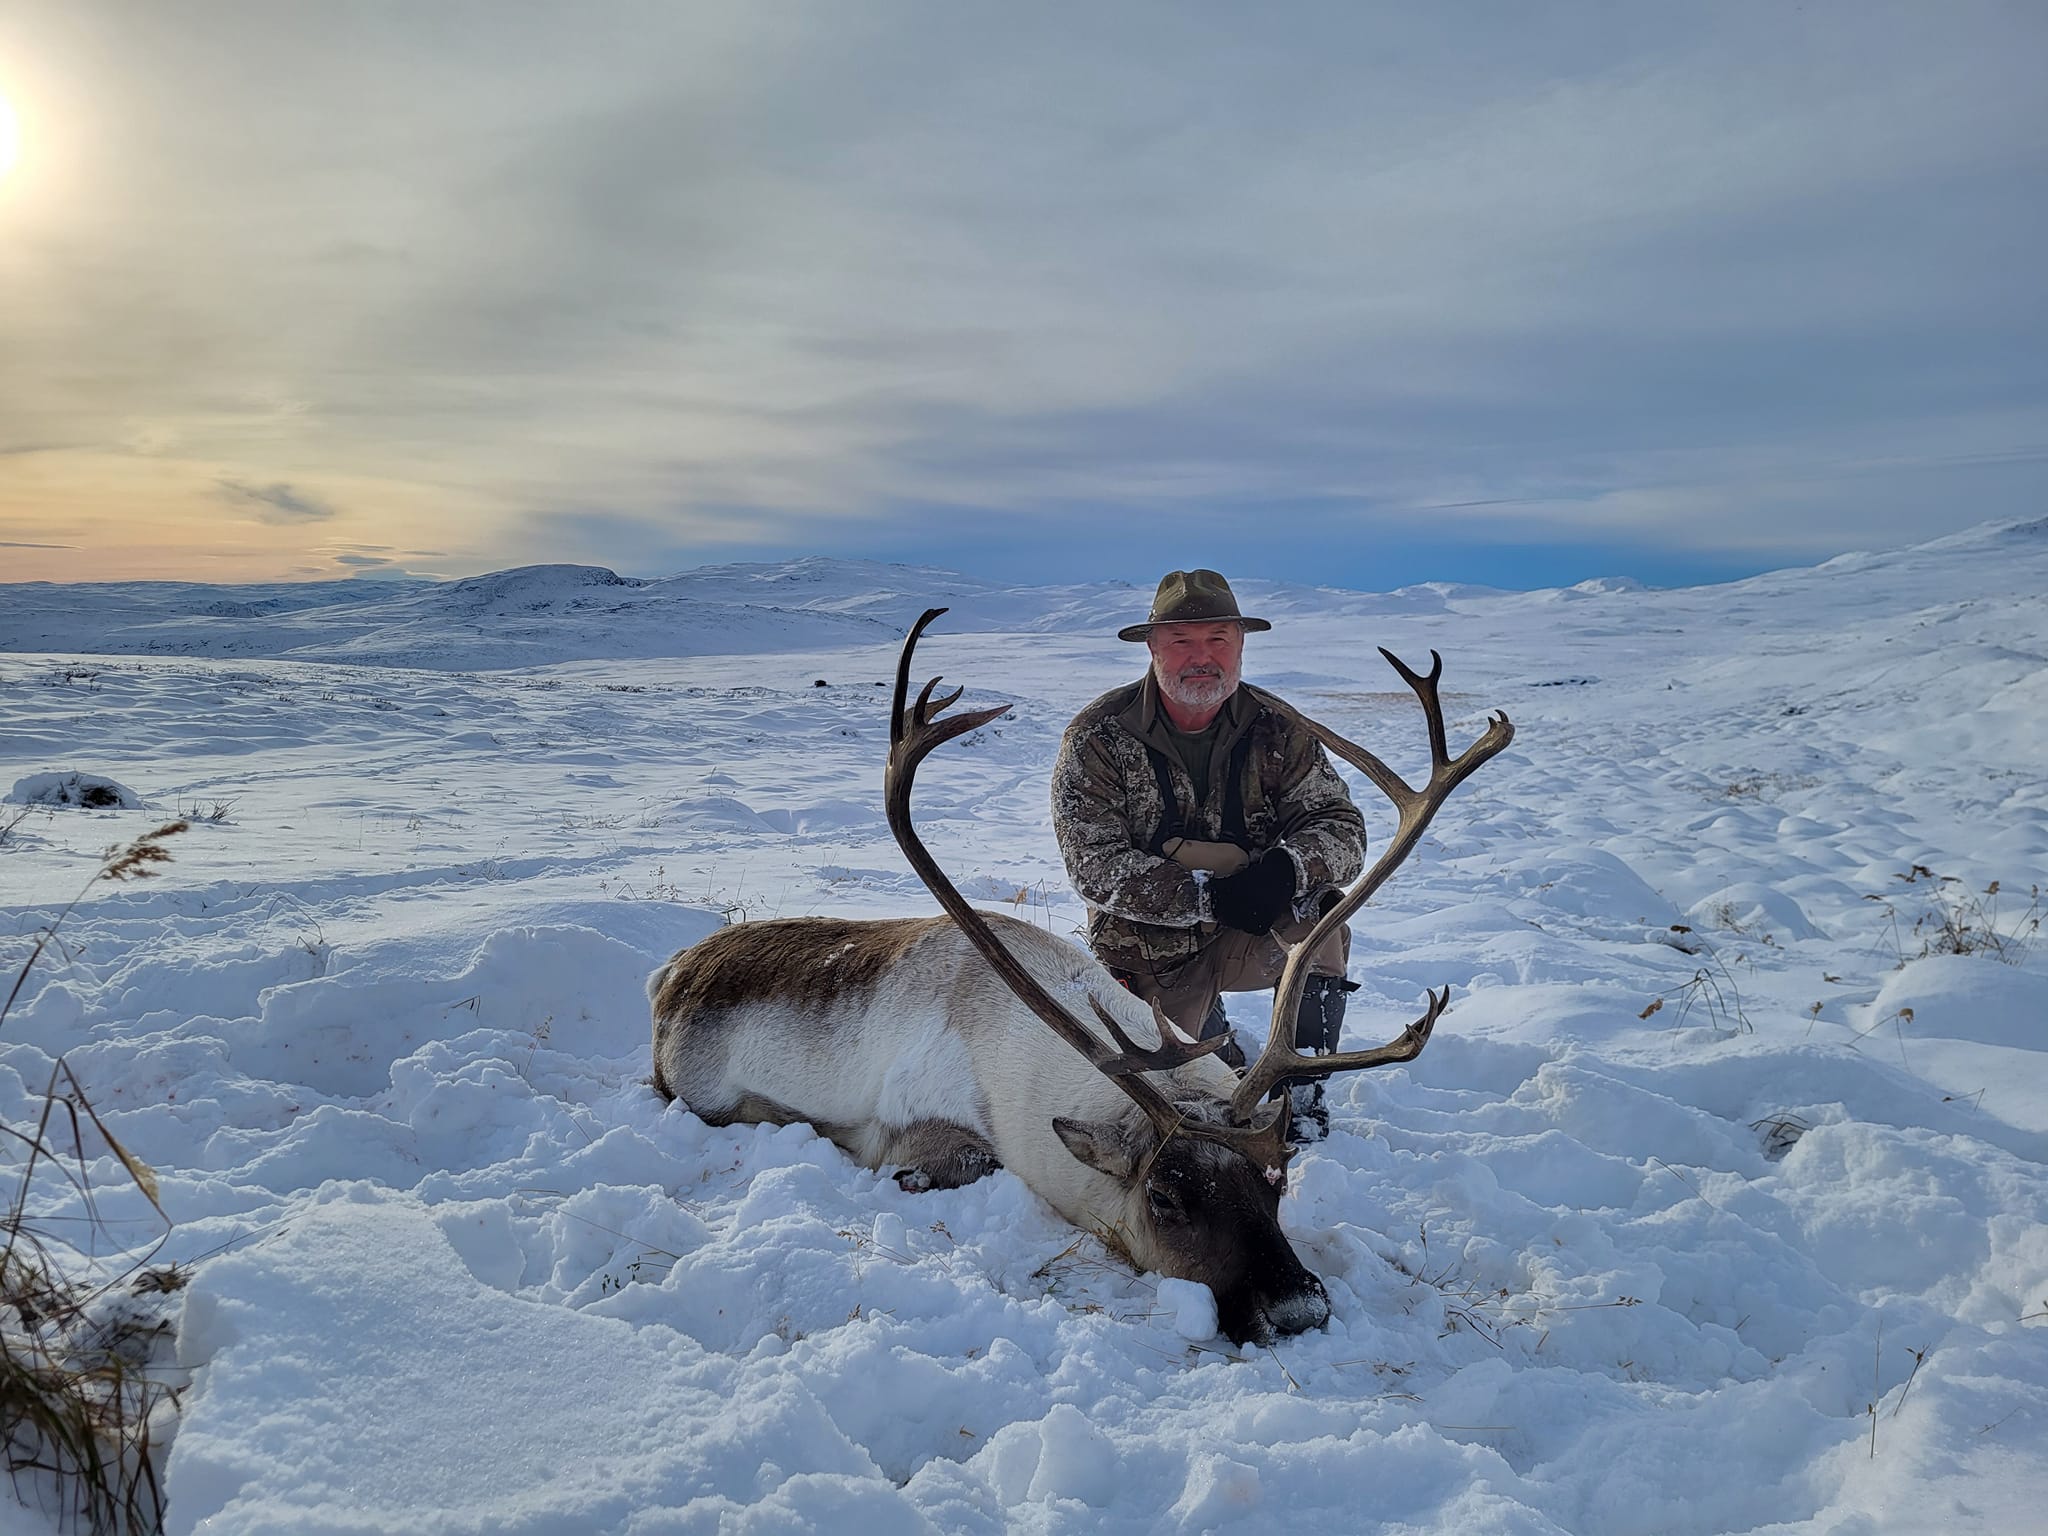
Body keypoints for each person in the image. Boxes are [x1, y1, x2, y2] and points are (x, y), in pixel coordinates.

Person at [1050, 569, 1365, 1140]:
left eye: (1218, 639)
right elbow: (1094, 864)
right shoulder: (1098, 737)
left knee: (1322, 925)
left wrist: (1284, 872)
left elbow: (1339, 826)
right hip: (1150, 949)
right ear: (1152, 648)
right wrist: (1207, 897)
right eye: (1182, 641)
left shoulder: (1280, 729)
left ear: (1241, 645)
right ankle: (1210, 1028)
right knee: (1174, 1104)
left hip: (1255, 933)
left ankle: (1305, 1096)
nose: (1203, 657)